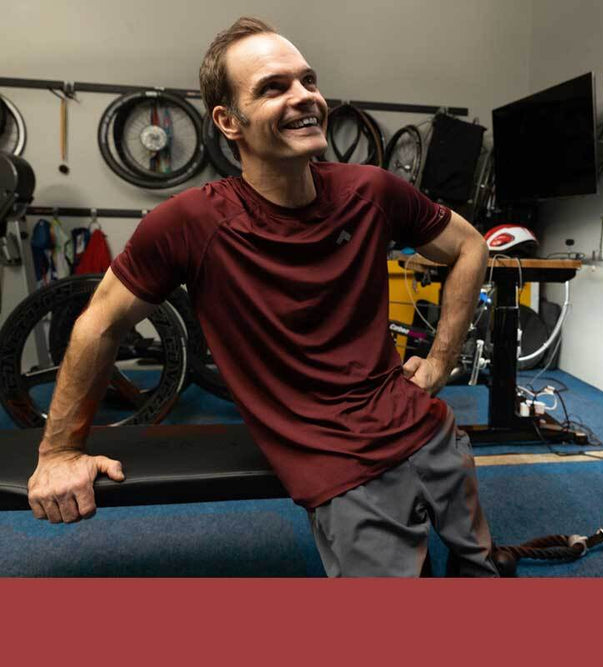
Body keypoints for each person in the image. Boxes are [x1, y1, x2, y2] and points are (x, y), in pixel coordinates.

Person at [25, 17, 499, 577]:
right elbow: (97, 325)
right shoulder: (188, 223)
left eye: (308, 81)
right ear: (229, 121)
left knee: (482, 571)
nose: (305, 99)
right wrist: (57, 452)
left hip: (429, 427)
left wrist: (441, 361)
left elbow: (471, 247)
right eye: (273, 88)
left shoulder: (371, 190)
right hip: (342, 463)